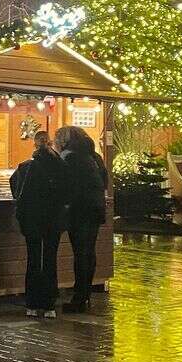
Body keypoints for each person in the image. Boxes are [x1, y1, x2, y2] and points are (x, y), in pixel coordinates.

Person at [9, 129, 67, 318]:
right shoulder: (61, 167)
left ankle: (32, 304)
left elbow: (15, 187)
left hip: (32, 219)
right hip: (54, 219)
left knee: (33, 259)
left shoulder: (26, 167)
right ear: (50, 145)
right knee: (50, 259)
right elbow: (68, 192)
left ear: (35, 145)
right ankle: (49, 305)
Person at [58, 126, 105, 313]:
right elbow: (104, 181)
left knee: (81, 253)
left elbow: (66, 185)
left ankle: (79, 298)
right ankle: (85, 294)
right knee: (88, 252)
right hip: (95, 209)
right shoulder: (94, 157)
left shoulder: (69, 158)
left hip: (79, 211)